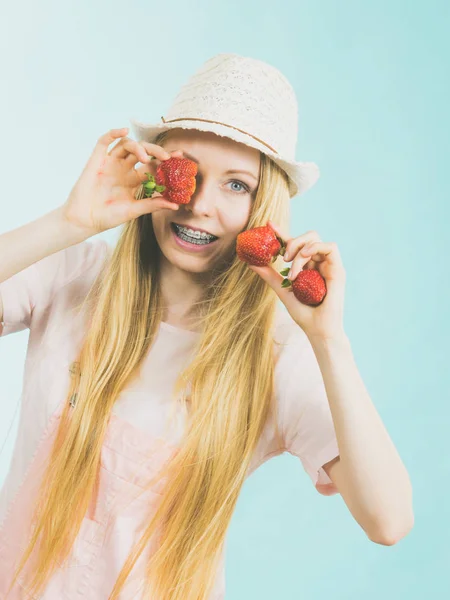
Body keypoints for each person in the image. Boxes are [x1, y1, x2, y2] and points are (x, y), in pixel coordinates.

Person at [0, 53, 413, 599]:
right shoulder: (72, 278)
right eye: (187, 172)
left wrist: (329, 341)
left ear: (265, 204)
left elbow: (389, 522)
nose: (198, 206)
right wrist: (68, 222)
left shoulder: (273, 358)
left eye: (237, 186)